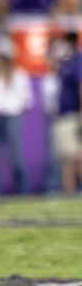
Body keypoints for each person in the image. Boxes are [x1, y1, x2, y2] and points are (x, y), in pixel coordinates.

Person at [0, 45, 31, 196]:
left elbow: (27, 101)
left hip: (12, 116)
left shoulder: (20, 75)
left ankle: (22, 192)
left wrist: (15, 110)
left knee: (17, 157)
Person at [49, 33, 82, 195]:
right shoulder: (67, 63)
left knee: (74, 158)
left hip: (73, 115)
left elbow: (81, 87)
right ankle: (69, 193)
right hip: (64, 115)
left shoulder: (78, 60)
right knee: (68, 158)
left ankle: (71, 192)